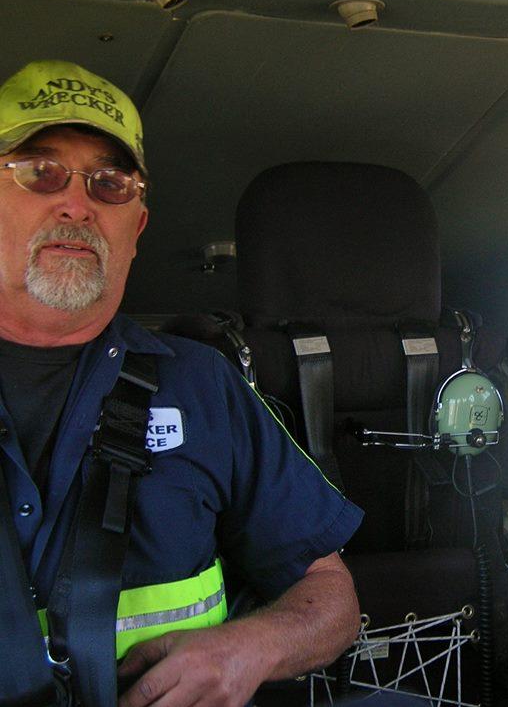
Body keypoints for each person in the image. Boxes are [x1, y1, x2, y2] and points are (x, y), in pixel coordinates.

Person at [0, 60, 364, 706]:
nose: (77, 203)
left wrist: (249, 648)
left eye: (111, 184)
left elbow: (330, 597)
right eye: (40, 172)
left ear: (136, 228)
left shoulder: (201, 383)